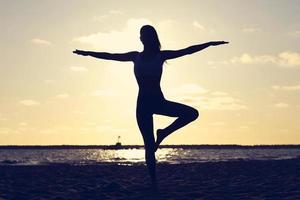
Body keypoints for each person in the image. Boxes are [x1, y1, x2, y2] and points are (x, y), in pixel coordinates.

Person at [73, 25, 228, 187]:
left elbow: (187, 50)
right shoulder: (135, 56)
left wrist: (209, 44)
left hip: (159, 102)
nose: (143, 37)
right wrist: (88, 53)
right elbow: (111, 56)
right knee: (148, 146)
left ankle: (163, 133)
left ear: (152, 38)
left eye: (146, 35)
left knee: (192, 113)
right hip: (142, 106)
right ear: (140, 39)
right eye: (142, 35)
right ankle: (154, 182)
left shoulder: (161, 56)